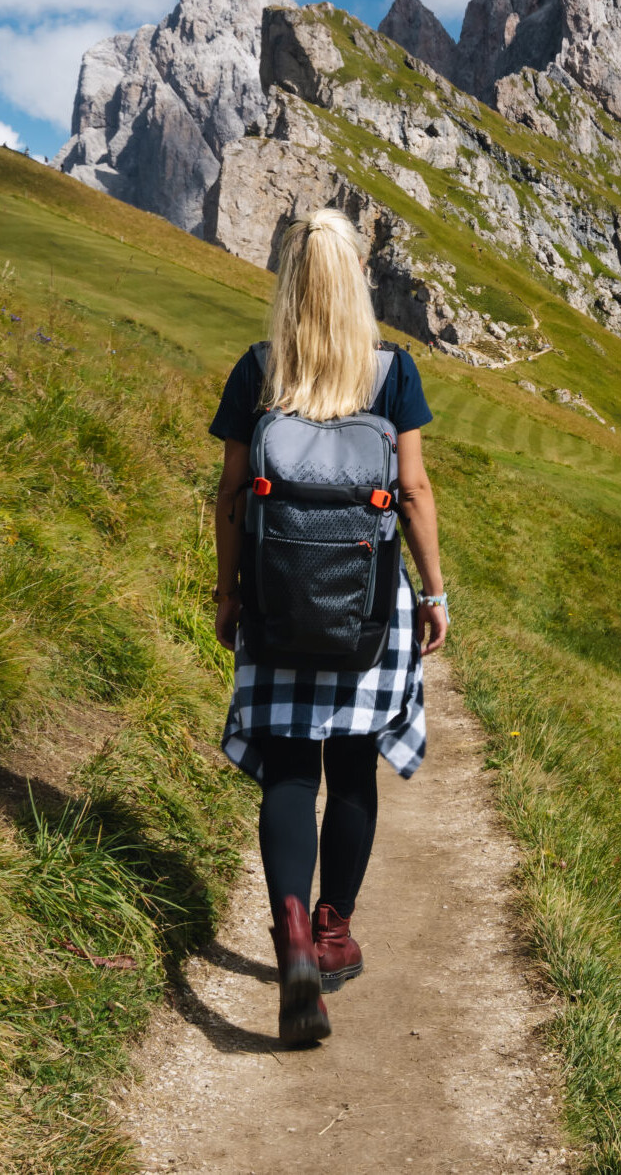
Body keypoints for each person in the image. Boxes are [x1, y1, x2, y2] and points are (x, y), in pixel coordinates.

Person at [210, 207, 449, 1047]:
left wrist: (226, 593)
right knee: (350, 767)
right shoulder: (392, 372)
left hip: (275, 599)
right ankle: (333, 925)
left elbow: (232, 494)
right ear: (354, 280)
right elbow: (414, 492)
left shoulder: (257, 369)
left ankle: (290, 937)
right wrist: (434, 592)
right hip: (365, 606)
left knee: (287, 764)